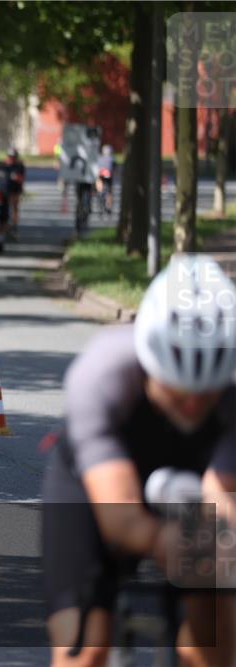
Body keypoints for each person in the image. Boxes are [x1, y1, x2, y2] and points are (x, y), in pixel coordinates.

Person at [42, 254, 236, 667]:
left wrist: (214, 547)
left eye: (207, 394)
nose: (191, 404)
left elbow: (225, 500)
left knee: (216, 633)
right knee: (84, 651)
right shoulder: (100, 372)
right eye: (178, 389)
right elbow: (120, 517)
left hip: (199, 481)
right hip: (94, 486)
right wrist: (157, 539)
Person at [4, 147, 26, 238]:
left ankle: (14, 226)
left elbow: (22, 178)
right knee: (5, 209)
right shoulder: (4, 164)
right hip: (5, 190)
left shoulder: (19, 165)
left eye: (13, 157)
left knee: (14, 209)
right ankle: (5, 227)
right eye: (10, 156)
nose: (12, 158)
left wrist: (17, 178)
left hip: (15, 190)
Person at [95, 144, 115, 214]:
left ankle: (100, 197)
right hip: (108, 176)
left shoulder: (99, 158)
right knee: (109, 191)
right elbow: (114, 168)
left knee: (100, 187)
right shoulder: (112, 158)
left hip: (102, 176)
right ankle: (108, 206)